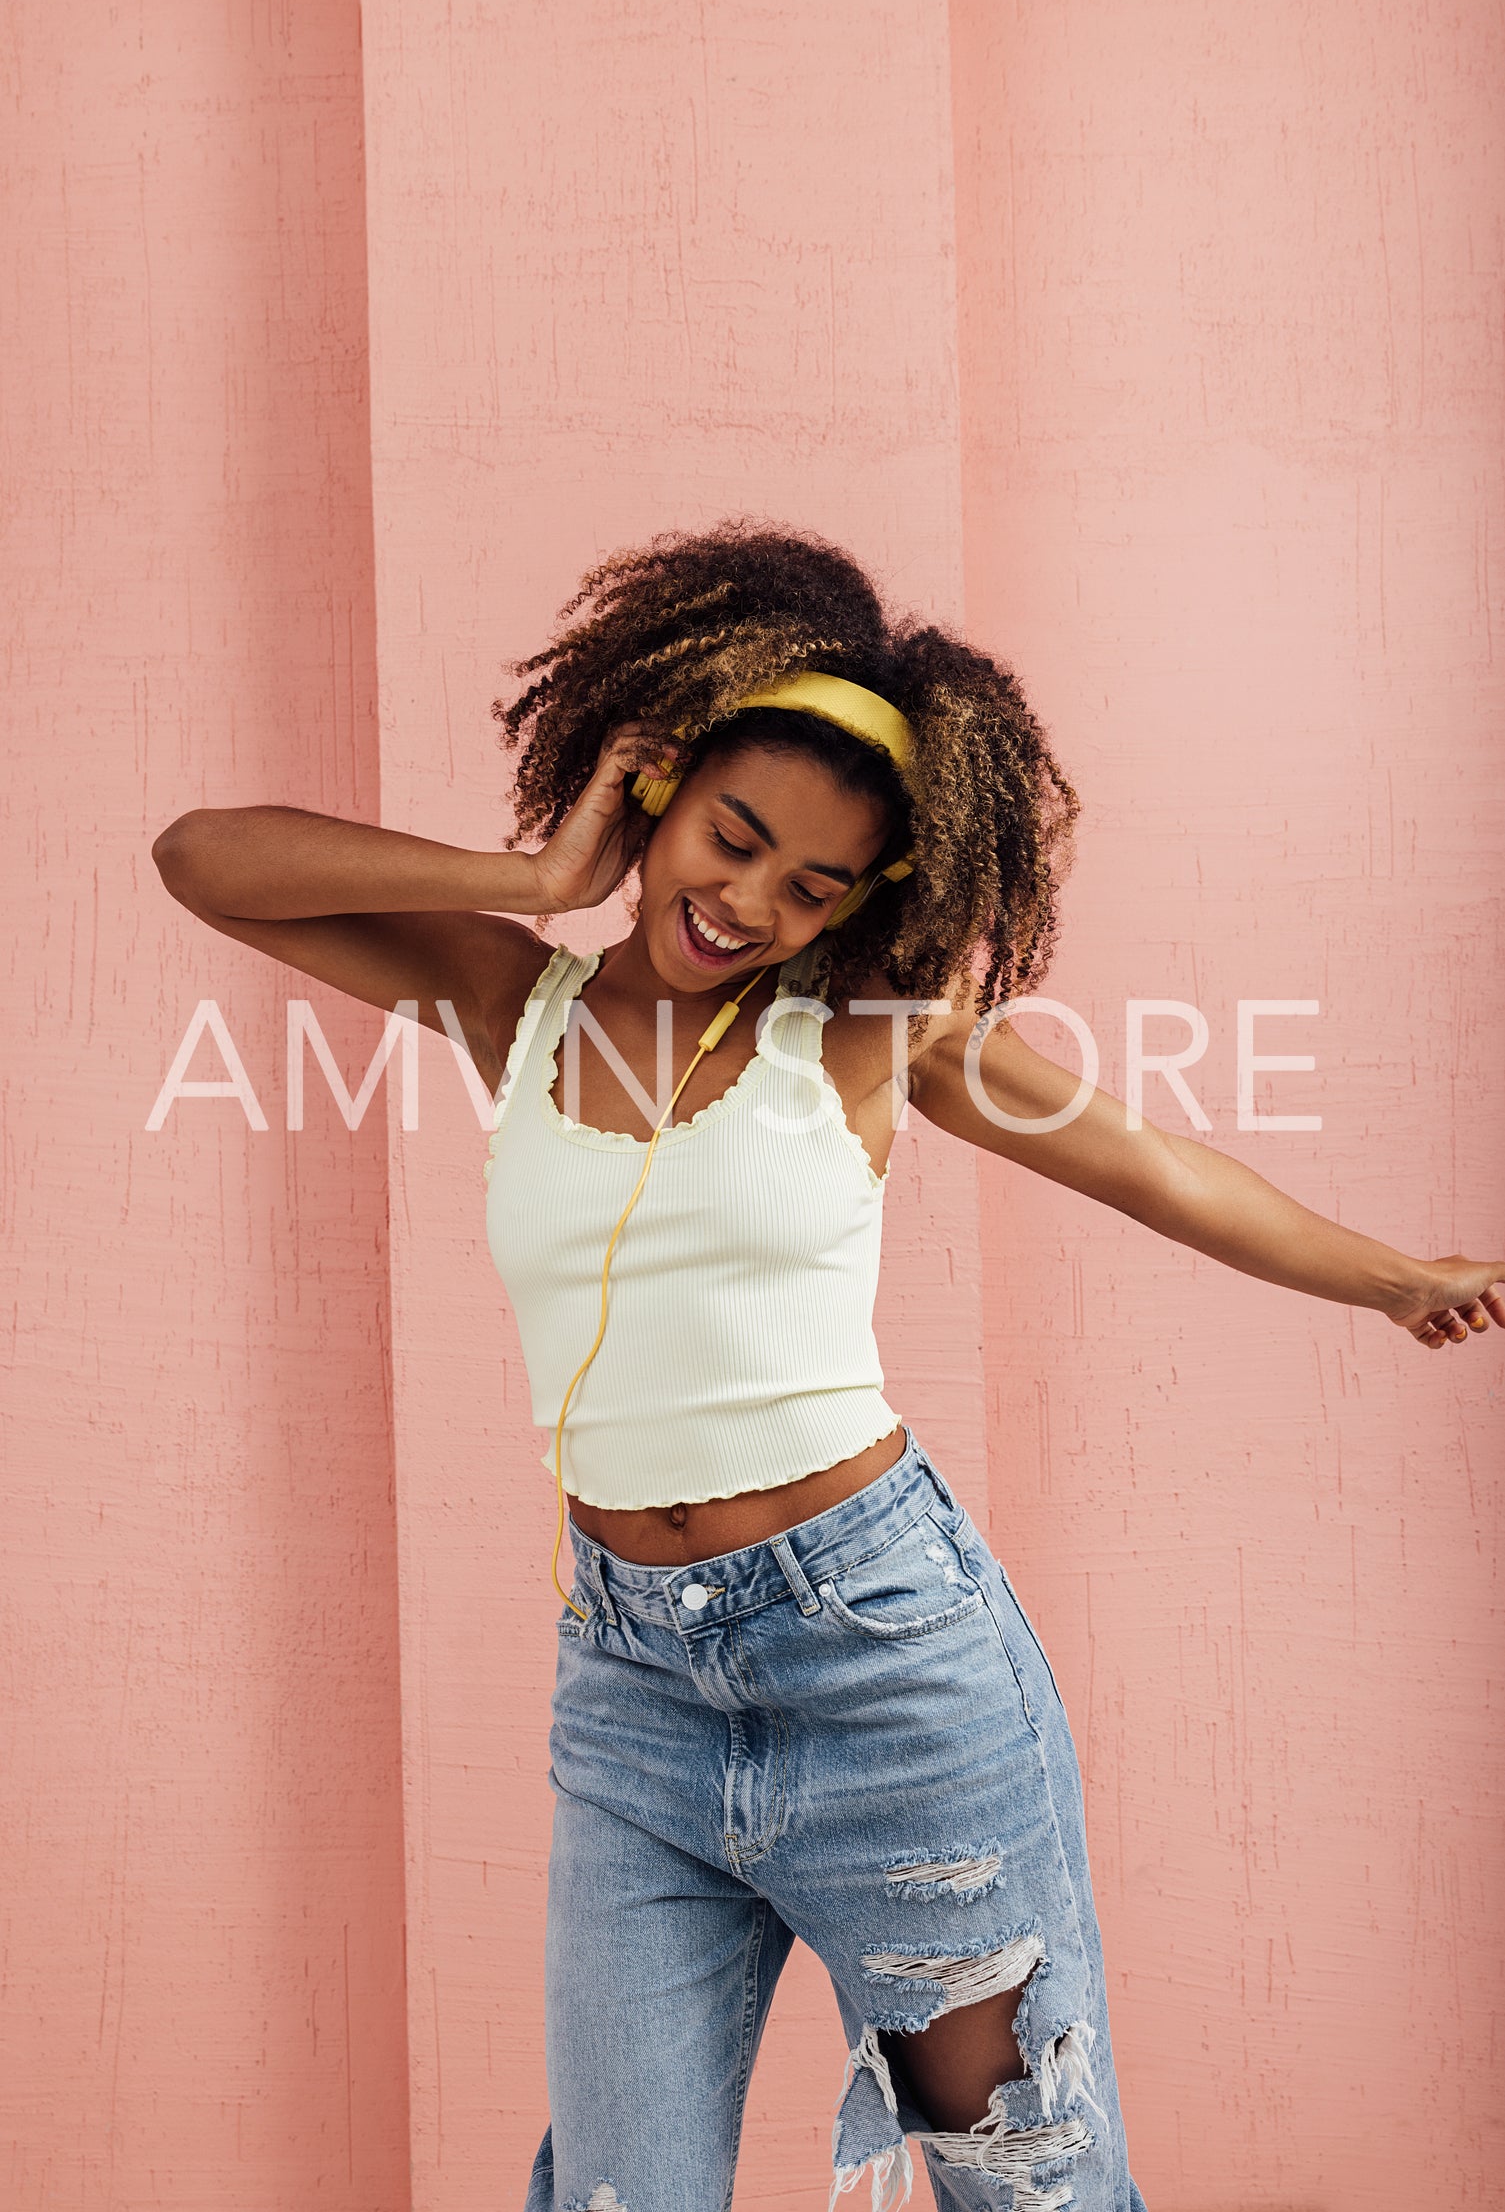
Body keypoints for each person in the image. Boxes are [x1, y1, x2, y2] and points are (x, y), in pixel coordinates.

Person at [152, 521, 1504, 2212]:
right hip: (630, 1685)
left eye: (814, 884)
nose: (747, 903)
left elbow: (1149, 1166)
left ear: (870, 901)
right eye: (730, 839)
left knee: (1021, 2171)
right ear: (653, 789)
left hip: (885, 1665)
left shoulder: (866, 1041)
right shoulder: (518, 1001)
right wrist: (537, 879)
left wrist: (1397, 1281)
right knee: (619, 2191)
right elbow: (202, 857)